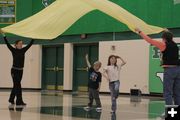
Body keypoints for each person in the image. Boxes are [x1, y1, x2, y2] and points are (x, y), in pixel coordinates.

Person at [135, 28, 180, 106]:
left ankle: (170, 113)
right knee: (177, 93)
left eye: (162, 38)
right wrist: (167, 31)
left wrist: (140, 32)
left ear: (164, 39)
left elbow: (150, 40)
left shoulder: (164, 45)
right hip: (178, 70)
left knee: (168, 93)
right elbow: (170, 36)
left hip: (169, 70)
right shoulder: (175, 44)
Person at [0, 29, 34, 105]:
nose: (21, 45)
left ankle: (11, 99)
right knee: (18, 86)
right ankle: (19, 101)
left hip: (21, 71)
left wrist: (34, 37)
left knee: (16, 85)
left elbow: (30, 44)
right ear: (16, 44)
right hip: (14, 71)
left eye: (22, 44)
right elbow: (7, 43)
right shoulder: (13, 50)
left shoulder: (23, 50)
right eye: (20, 44)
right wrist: (4, 35)